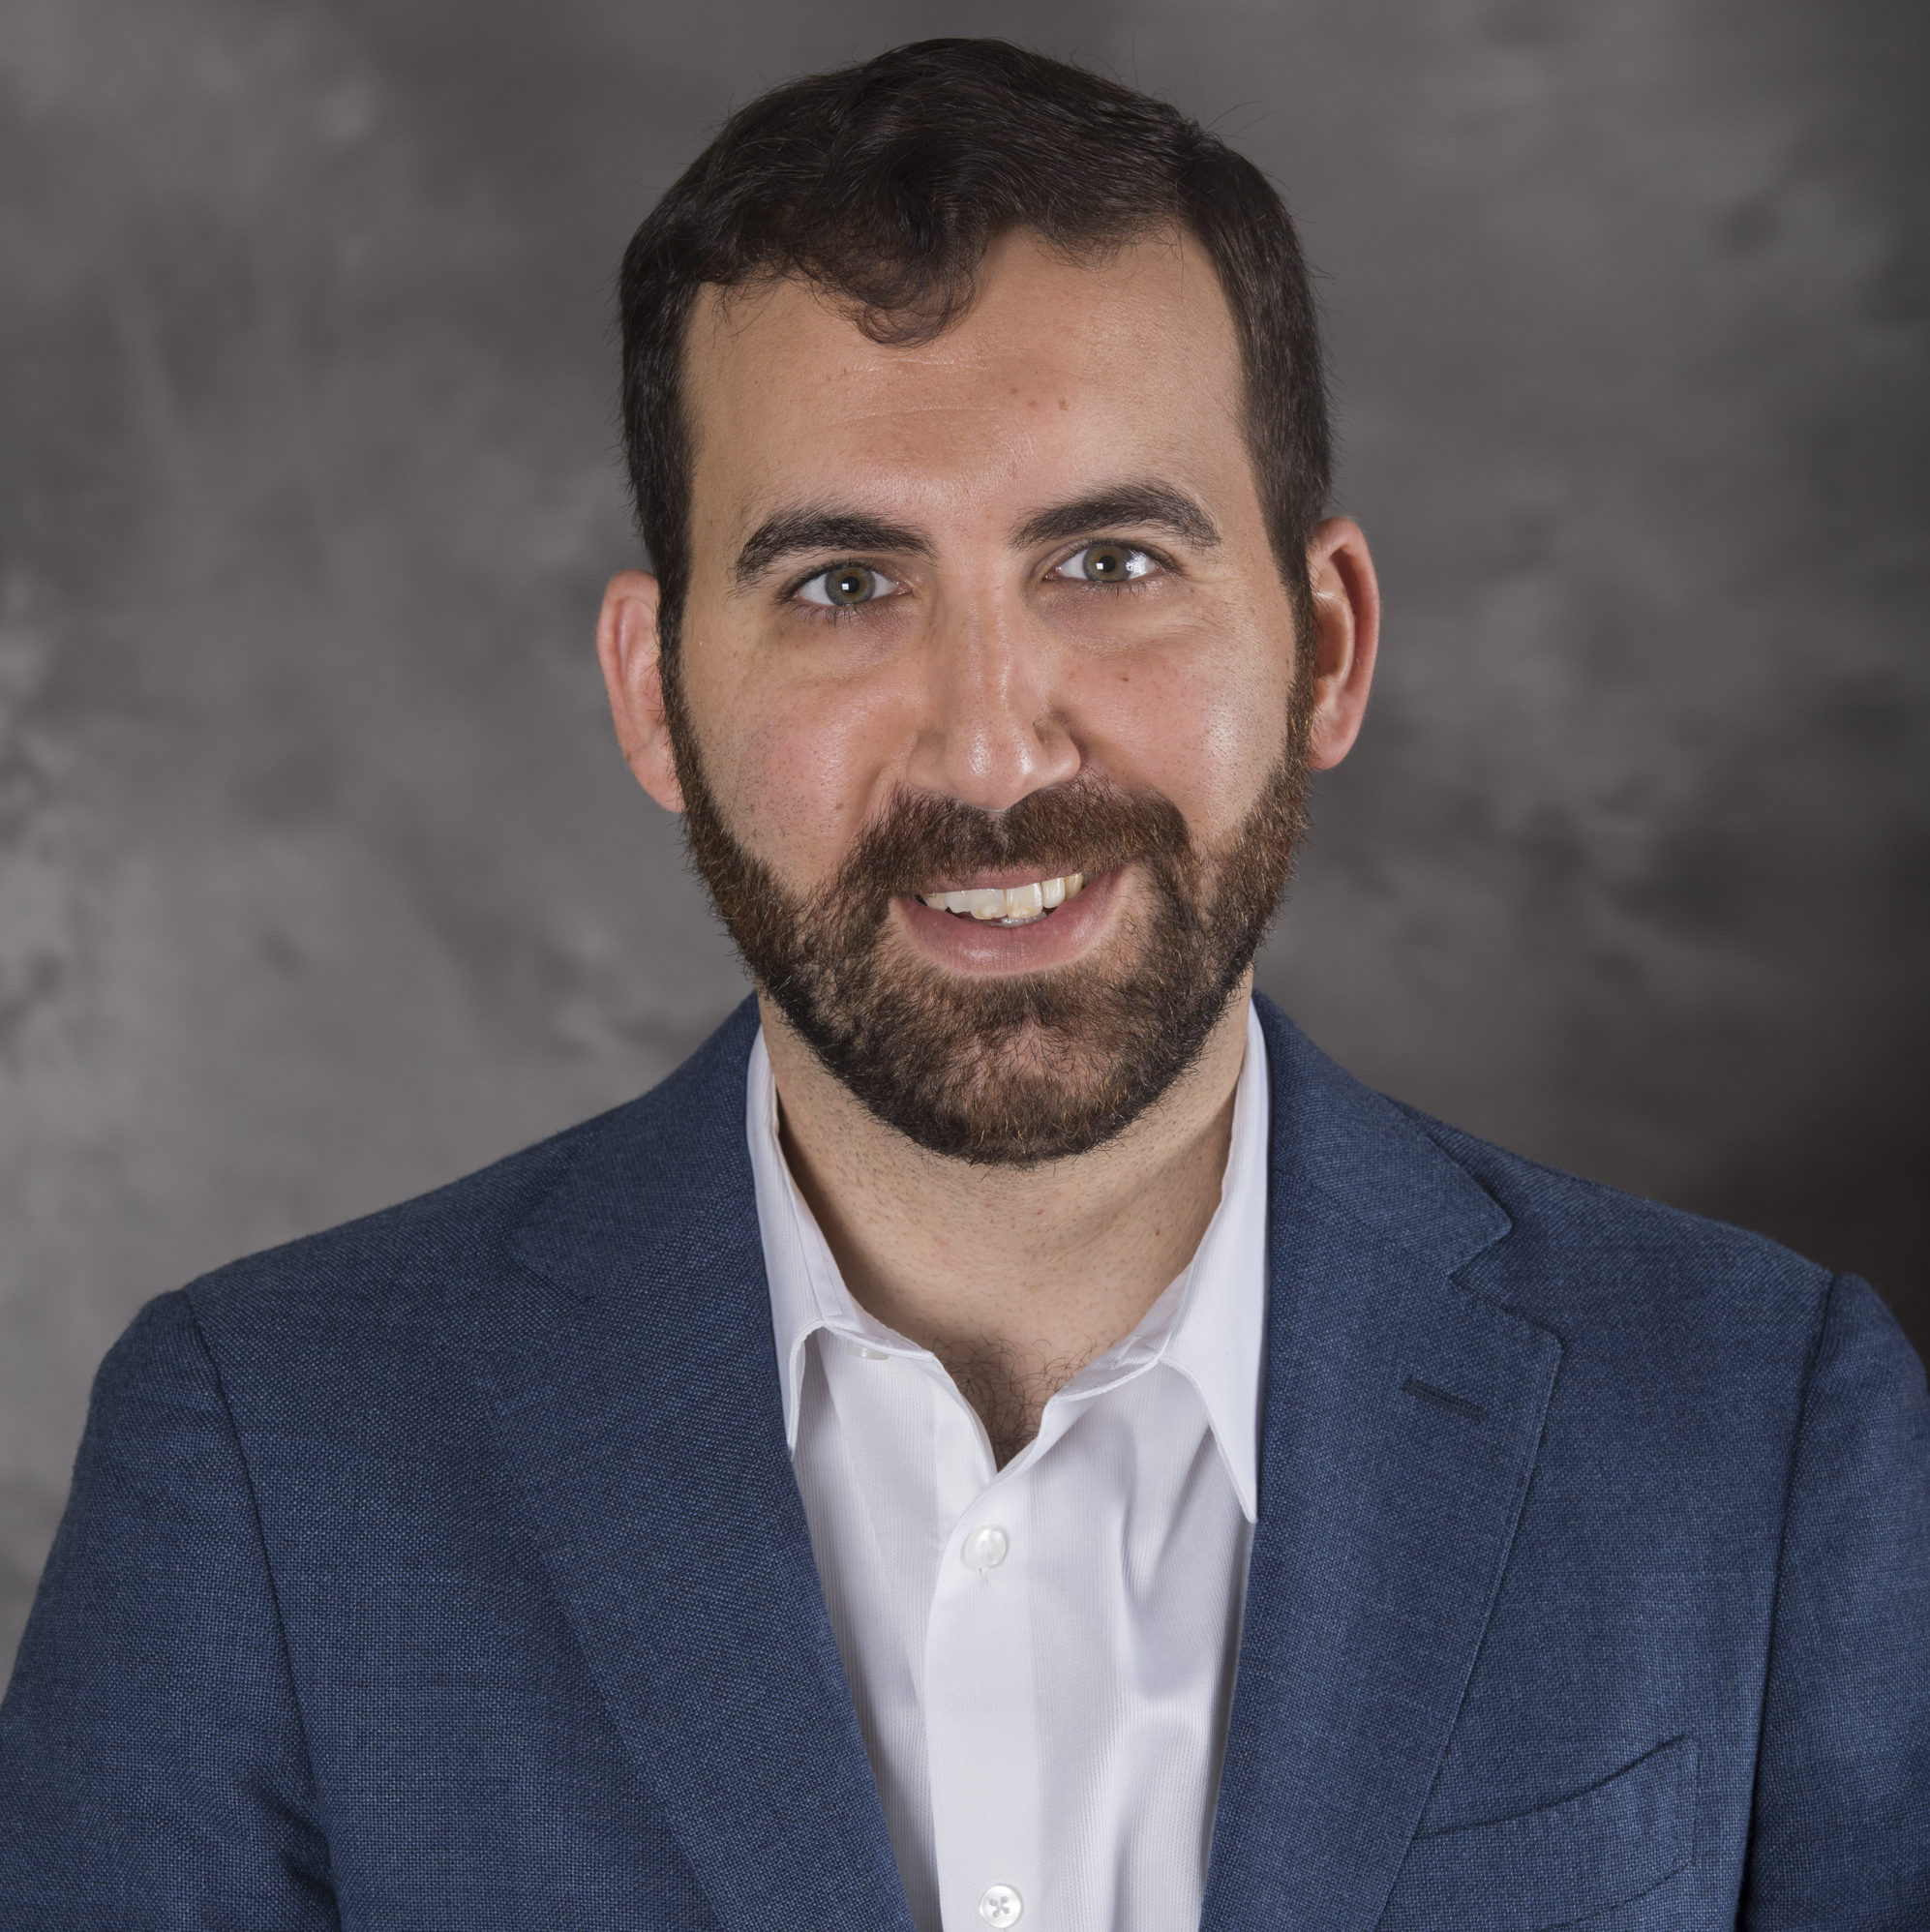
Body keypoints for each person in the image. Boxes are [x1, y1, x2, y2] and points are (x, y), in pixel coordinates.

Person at [1, 37, 1924, 1931]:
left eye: (1105, 558)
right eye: (843, 583)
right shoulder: (269, 1459)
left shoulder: (1758, 1428)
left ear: (1324, 643)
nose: (992, 753)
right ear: (654, 690)